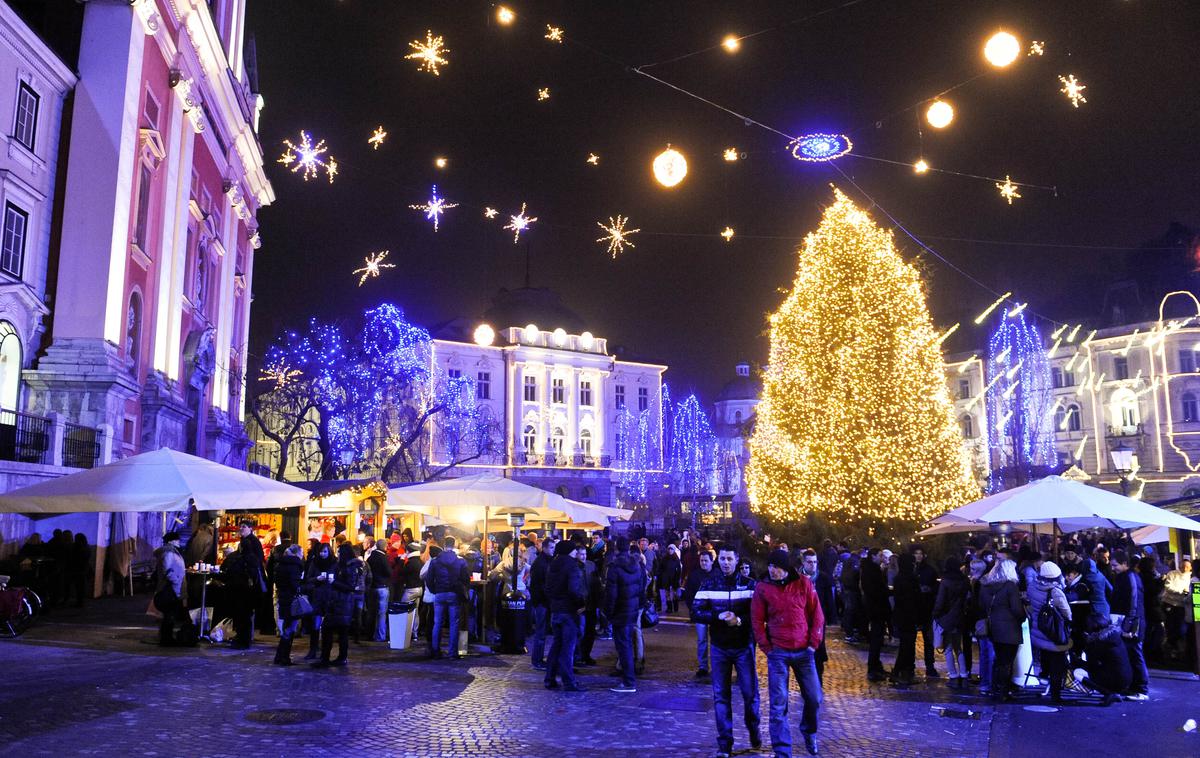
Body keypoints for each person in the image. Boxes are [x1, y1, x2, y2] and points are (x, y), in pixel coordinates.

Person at [752, 550, 824, 757]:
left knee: (814, 697)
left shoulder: (803, 584)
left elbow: (817, 615)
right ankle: (782, 750)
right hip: (779, 652)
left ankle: (809, 730)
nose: (772, 570)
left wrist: (813, 643)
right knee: (778, 703)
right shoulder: (763, 588)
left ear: (786, 568)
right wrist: (766, 647)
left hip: (803, 651)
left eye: (777, 567)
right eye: (770, 566)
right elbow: (757, 620)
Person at [694, 545, 760, 757]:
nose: (726, 563)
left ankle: (753, 726)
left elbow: (759, 615)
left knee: (750, 694)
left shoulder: (750, 585)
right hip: (720, 647)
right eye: (722, 559)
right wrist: (717, 617)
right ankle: (725, 743)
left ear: (737, 559)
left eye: (730, 559)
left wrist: (739, 620)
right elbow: (697, 611)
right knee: (721, 696)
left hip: (743, 647)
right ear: (718, 560)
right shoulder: (709, 583)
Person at [604, 537, 646, 694]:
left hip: (620, 611)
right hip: (632, 609)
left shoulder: (614, 567)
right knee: (627, 643)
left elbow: (611, 594)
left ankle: (629, 681)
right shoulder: (637, 565)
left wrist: (608, 612)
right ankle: (629, 678)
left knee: (624, 646)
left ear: (616, 549)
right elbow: (642, 588)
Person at [544, 539, 587, 692]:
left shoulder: (552, 565)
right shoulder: (572, 566)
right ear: (570, 551)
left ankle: (549, 679)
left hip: (555, 610)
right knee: (568, 648)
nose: (576, 552)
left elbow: (547, 588)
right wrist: (581, 605)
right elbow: (574, 591)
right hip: (568, 611)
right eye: (574, 550)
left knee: (556, 646)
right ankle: (569, 682)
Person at [979, 559, 1025, 702]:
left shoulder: (986, 586)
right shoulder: (1010, 586)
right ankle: (1004, 692)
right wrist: (1023, 617)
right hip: (1010, 628)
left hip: (994, 627)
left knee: (999, 659)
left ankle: (995, 688)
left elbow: (981, 606)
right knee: (1007, 661)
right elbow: (1017, 610)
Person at [1027, 560, 1072, 702]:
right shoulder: (1055, 592)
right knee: (1058, 664)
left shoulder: (1032, 587)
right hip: (1053, 634)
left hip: (1039, 631)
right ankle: (1056, 695)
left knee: (1046, 659)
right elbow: (1067, 613)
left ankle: (1044, 680)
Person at [314, 542, 363, 667]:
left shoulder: (351, 567)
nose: (338, 554)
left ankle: (330, 658)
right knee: (339, 632)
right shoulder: (343, 566)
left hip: (342, 603)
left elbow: (350, 586)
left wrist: (334, 582)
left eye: (339, 552)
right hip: (338, 602)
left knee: (333, 630)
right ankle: (337, 658)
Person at [1110, 549, 1149, 700]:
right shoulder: (1124, 576)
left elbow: (1133, 602)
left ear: (1125, 564)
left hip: (1133, 623)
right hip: (1128, 621)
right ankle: (1134, 687)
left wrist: (1128, 623)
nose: (1112, 568)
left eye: (1115, 565)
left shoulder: (1130, 577)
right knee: (1131, 655)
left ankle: (1141, 689)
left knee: (1135, 654)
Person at [225, 520, 266, 650]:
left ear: (250, 528)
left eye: (244, 527)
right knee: (244, 613)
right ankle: (243, 637)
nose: (240, 529)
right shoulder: (249, 542)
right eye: (240, 526)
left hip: (247, 586)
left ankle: (244, 639)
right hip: (247, 585)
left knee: (244, 612)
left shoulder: (251, 543)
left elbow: (255, 562)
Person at [427, 536, 469, 659]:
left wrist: (435, 590)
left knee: (437, 623)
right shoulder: (460, 561)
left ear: (444, 544)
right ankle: (452, 653)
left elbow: (429, 579)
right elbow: (466, 579)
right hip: (453, 594)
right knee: (454, 624)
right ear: (454, 544)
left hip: (439, 593)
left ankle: (435, 651)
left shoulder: (435, 561)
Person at [932, 556, 970, 688]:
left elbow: (940, 601)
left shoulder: (945, 581)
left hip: (946, 618)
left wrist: (935, 614)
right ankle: (964, 674)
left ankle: (953, 675)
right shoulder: (965, 580)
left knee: (947, 648)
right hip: (959, 617)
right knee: (958, 647)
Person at [1078, 613, 1131, 706]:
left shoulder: (1100, 641)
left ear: (1094, 625)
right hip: (1126, 678)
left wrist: (1088, 643)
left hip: (1116, 679)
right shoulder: (1113, 635)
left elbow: (1092, 662)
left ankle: (1109, 693)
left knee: (1077, 672)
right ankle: (1114, 692)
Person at [154, 532, 194, 646]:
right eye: (177, 540)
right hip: (170, 588)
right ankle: (166, 639)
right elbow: (167, 570)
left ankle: (167, 637)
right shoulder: (169, 552)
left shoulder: (172, 551)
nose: (179, 542)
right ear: (171, 541)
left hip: (173, 588)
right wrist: (176, 581)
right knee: (169, 614)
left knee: (170, 614)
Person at [800, 550, 833, 683]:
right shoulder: (796, 578)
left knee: (818, 650)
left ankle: (817, 681)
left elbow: (829, 599)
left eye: (815, 562)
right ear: (803, 562)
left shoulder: (823, 578)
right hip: (802, 621)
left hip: (819, 621)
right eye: (809, 562)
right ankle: (805, 681)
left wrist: (830, 616)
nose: (813, 565)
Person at [684, 549, 717, 679]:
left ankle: (716, 665)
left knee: (715, 641)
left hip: (715, 613)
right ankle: (703, 666)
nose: (703, 563)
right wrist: (693, 609)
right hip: (701, 614)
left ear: (711, 561)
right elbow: (689, 593)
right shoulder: (694, 575)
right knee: (702, 640)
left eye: (705, 561)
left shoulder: (717, 574)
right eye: (701, 560)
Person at [860, 547, 891, 681]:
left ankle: (876, 665)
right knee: (876, 639)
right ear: (873, 556)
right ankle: (873, 668)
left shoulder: (871, 569)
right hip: (876, 609)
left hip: (875, 608)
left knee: (877, 638)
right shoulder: (872, 570)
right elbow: (876, 590)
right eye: (879, 555)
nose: (882, 558)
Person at [889, 554, 920, 685]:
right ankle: (899, 672)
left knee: (906, 645)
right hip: (909, 615)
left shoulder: (898, 578)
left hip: (901, 615)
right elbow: (914, 598)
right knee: (907, 646)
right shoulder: (911, 578)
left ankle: (903, 672)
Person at [272, 543, 305, 665]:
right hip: (292, 599)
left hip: (283, 597)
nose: (302, 556)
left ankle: (280, 656)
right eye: (301, 553)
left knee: (287, 626)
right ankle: (283, 657)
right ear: (296, 554)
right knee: (290, 628)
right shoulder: (295, 565)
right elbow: (295, 584)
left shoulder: (281, 564)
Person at [911, 546, 940, 678]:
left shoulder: (930, 570)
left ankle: (930, 665)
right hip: (914, 608)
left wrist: (930, 589)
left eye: (920, 553)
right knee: (910, 639)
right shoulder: (910, 569)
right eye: (916, 553)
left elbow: (936, 586)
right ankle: (910, 665)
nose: (919, 556)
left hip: (927, 608)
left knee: (928, 639)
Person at [528, 537, 555, 670]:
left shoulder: (547, 561)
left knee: (543, 631)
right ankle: (537, 660)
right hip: (541, 602)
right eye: (551, 547)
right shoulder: (540, 563)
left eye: (554, 547)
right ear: (544, 548)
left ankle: (539, 658)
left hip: (544, 601)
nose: (553, 550)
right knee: (541, 631)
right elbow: (539, 585)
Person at [968, 559, 993, 694]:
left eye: (972, 569)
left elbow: (977, 605)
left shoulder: (979, 583)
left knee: (985, 653)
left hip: (981, 621)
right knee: (986, 653)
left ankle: (985, 682)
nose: (970, 571)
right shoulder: (981, 582)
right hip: (982, 621)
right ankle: (986, 682)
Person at [1136, 555, 1165, 664]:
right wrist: (1161, 582)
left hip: (1146, 609)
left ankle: (1150, 654)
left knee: (1149, 632)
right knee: (1157, 633)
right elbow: (1153, 591)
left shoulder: (1139, 576)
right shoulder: (1148, 577)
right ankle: (1153, 655)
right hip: (1152, 609)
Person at [362, 537, 390, 642]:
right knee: (381, 613)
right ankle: (380, 636)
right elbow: (389, 572)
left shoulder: (370, 557)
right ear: (385, 547)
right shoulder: (383, 558)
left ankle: (369, 634)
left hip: (372, 588)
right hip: (382, 587)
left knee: (371, 612)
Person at [658, 543, 682, 613]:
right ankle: (669, 608)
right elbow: (661, 568)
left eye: (671, 549)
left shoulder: (676, 558)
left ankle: (675, 607)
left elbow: (679, 569)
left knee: (675, 594)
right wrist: (661, 576)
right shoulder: (664, 558)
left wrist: (678, 577)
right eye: (669, 549)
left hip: (674, 578)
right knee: (667, 594)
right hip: (666, 578)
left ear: (674, 550)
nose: (670, 550)